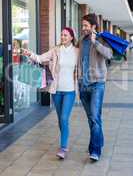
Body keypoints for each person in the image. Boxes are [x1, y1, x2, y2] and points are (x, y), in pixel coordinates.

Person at [22, 27, 79, 160]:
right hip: (56, 90)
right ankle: (64, 141)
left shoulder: (77, 52)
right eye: (61, 35)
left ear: (71, 37)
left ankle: (63, 147)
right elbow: (40, 58)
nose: (63, 37)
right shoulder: (55, 50)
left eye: (65, 35)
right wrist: (29, 54)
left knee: (64, 118)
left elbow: (82, 66)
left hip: (70, 91)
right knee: (60, 120)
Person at [78, 14, 113, 161]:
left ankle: (95, 150)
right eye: (83, 25)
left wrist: (95, 42)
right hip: (83, 84)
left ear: (93, 26)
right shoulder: (81, 40)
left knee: (94, 117)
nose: (83, 28)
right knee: (92, 117)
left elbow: (109, 54)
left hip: (98, 83)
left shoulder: (101, 39)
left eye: (86, 25)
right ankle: (99, 140)